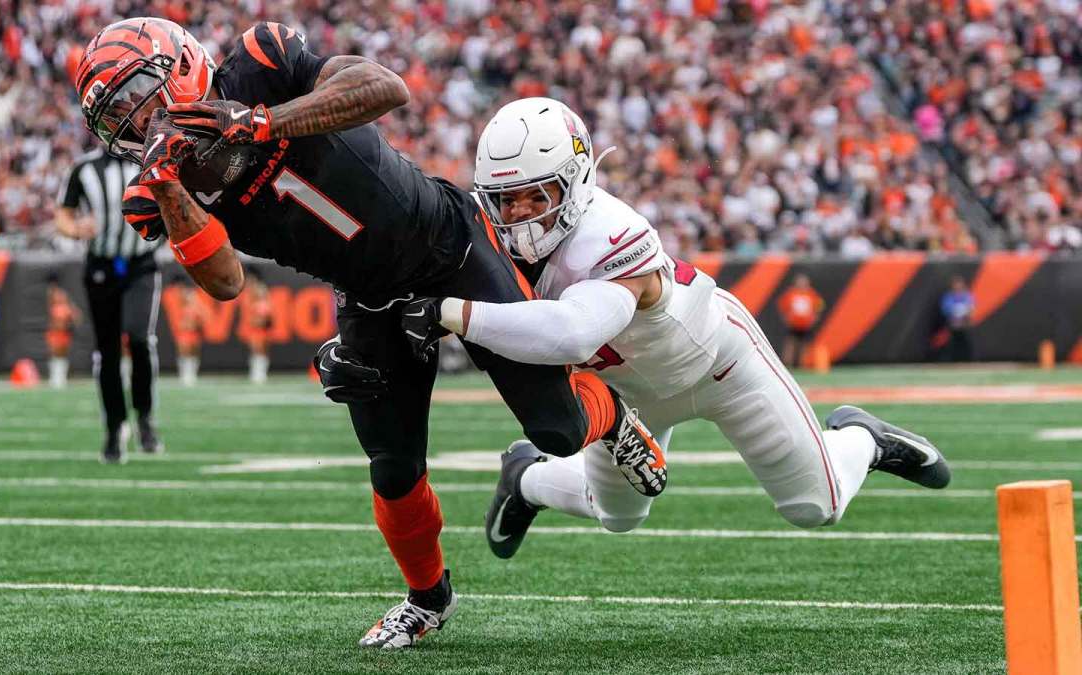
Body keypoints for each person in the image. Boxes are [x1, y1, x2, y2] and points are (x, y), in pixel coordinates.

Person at [75, 17, 662, 648]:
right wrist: (167, 186)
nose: (141, 125)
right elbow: (225, 282)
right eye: (121, 121)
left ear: (181, 66)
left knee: (561, 430)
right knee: (391, 465)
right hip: (370, 299)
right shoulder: (153, 193)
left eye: (141, 99)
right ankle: (428, 598)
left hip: (448, 247)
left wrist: (259, 122)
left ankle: (615, 421)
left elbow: (384, 88)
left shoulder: (259, 62)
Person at [400, 98, 952, 559]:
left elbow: (573, 333)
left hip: (720, 364)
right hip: (629, 398)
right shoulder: (493, 238)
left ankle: (862, 439)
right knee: (616, 515)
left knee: (816, 505)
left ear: (575, 182)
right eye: (506, 200)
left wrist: (452, 313)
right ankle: (525, 477)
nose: (520, 215)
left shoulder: (610, 231)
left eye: (536, 197)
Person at [57, 145, 163, 463]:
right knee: (108, 351)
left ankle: (144, 417)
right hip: (101, 265)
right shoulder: (84, 167)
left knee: (141, 338)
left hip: (140, 263)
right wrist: (76, 229)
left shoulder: (148, 158)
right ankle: (115, 427)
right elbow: (63, 213)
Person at [776, 273, 824, 368]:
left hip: (806, 324)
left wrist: (815, 317)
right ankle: (787, 364)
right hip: (794, 324)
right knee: (791, 344)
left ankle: (802, 364)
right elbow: (782, 306)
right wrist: (786, 318)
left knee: (804, 345)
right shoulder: (791, 293)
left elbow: (819, 305)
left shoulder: (811, 293)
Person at [45, 275, 82, 389]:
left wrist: (71, 322)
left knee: (62, 354)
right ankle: (54, 378)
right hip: (55, 332)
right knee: (53, 354)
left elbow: (76, 316)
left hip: (63, 332)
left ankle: (61, 378)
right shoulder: (53, 303)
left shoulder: (65, 305)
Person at [172, 280, 207, 388]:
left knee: (194, 352)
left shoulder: (198, 306)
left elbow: (203, 320)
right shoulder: (179, 305)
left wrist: (195, 324)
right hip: (183, 333)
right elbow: (178, 321)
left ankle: (192, 373)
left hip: (195, 334)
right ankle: (183, 373)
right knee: (183, 350)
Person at [243, 269, 272, 385]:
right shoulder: (250, 292)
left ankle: (261, 373)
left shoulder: (261, 291)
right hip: (253, 323)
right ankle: (256, 372)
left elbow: (266, 311)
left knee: (260, 349)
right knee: (255, 349)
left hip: (260, 326)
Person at [940, 275, 975, 362]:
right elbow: (946, 310)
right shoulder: (948, 297)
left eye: (959, 284)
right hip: (953, 323)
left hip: (965, 322)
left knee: (966, 339)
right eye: (956, 284)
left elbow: (971, 309)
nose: (958, 286)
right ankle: (952, 360)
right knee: (953, 339)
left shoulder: (967, 296)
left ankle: (968, 359)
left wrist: (965, 316)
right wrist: (955, 316)